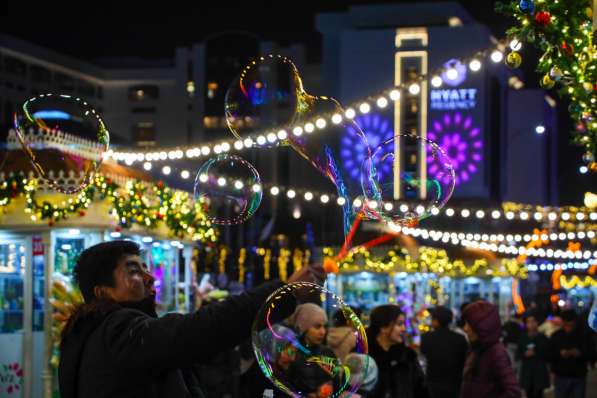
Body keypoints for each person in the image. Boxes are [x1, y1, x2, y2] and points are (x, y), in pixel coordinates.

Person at [58, 240, 324, 398]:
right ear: (102, 292)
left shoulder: (102, 332)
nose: (150, 277)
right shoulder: (118, 333)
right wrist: (282, 293)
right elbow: (204, 327)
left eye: (145, 267)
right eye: (133, 271)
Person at [460, 301, 521, 398]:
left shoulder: (496, 353)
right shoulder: (476, 349)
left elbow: (513, 392)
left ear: (482, 326)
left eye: (469, 324)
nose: (465, 328)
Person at [366, 304, 429, 398]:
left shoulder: (407, 356)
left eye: (404, 324)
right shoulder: (363, 356)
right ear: (383, 327)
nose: (404, 329)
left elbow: (421, 390)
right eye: (399, 324)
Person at [287, 303, 341, 398]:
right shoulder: (290, 353)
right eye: (317, 327)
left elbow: (337, 381)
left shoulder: (327, 352)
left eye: (325, 326)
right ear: (304, 328)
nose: (323, 332)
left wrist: (331, 388)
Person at [420, 306, 468, 398]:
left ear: (435, 320)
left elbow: (423, 354)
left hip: (432, 385)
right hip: (455, 385)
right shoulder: (460, 338)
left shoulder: (426, 337)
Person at [549, 309, 596, 398]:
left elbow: (592, 354)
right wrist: (560, 354)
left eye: (571, 325)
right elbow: (548, 355)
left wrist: (580, 353)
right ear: (562, 323)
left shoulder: (584, 336)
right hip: (560, 376)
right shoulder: (556, 336)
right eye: (566, 325)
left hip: (578, 375)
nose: (568, 328)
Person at [516, 311, 550, 398]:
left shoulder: (542, 337)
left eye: (533, 321)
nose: (531, 324)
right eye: (528, 322)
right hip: (527, 373)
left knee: (539, 394)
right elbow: (518, 354)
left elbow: (548, 354)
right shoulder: (522, 338)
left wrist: (536, 353)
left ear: (537, 322)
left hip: (539, 373)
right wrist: (525, 354)